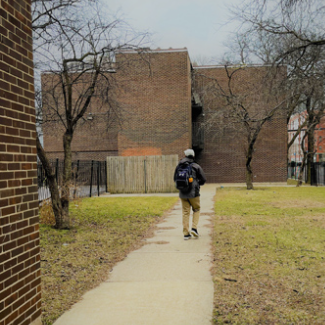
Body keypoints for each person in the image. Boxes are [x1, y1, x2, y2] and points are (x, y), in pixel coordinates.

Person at [174, 149, 207, 240]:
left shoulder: (179, 166)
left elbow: (175, 179)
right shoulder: (196, 166)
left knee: (185, 212)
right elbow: (203, 179)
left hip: (183, 193)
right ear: (193, 156)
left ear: (185, 156)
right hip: (194, 193)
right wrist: (197, 184)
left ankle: (186, 233)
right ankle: (194, 228)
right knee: (196, 209)